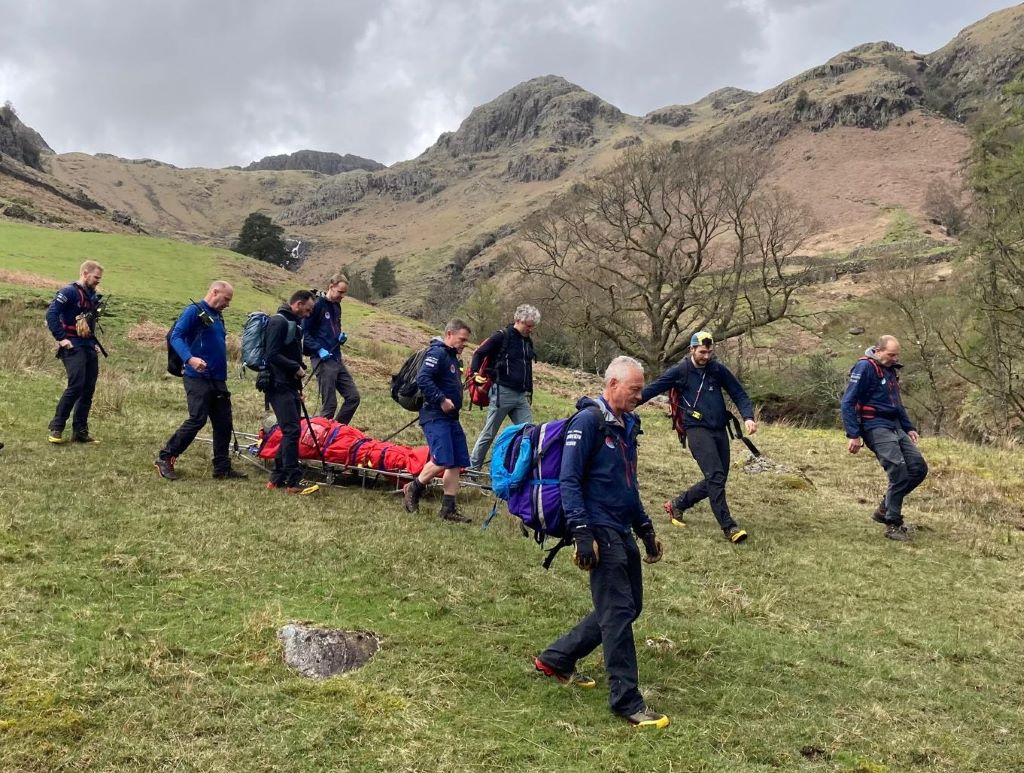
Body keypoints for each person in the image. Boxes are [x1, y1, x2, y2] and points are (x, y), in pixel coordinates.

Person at [534, 356, 668, 729]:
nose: (640, 396)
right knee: (618, 612)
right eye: (634, 389)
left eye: (642, 390)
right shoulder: (588, 422)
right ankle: (627, 702)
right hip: (598, 530)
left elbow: (627, 484)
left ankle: (557, 658)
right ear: (612, 384)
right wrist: (582, 533)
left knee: (629, 606)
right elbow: (569, 480)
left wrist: (645, 529)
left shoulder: (626, 426)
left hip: (621, 527)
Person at [640, 331, 757, 544]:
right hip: (696, 429)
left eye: (709, 352)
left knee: (718, 477)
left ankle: (678, 504)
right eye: (702, 352)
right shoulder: (681, 371)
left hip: (719, 429)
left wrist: (748, 417)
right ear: (692, 349)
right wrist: (625, 404)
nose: (706, 356)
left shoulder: (717, 369)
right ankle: (729, 527)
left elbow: (738, 393)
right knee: (715, 476)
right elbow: (653, 389)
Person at [155, 281, 246, 481]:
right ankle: (166, 457)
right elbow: (176, 336)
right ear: (215, 292)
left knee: (223, 422)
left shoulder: (218, 316)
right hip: (197, 377)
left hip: (218, 378)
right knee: (197, 419)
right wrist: (190, 359)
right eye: (226, 299)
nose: (228, 304)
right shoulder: (194, 311)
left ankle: (222, 467)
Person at [841, 335, 928, 542]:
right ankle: (893, 523)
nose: (895, 359)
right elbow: (847, 402)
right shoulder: (864, 367)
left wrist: (908, 427)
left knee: (918, 468)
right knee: (898, 471)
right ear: (877, 351)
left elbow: (896, 402)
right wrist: (853, 434)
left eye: (897, 355)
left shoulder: (890, 369)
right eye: (891, 355)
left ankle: (884, 508)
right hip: (874, 425)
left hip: (894, 425)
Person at [401, 319, 473, 523]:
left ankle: (448, 509)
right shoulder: (437, 353)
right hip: (435, 415)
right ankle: (413, 488)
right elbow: (423, 378)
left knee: (456, 462)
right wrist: (441, 399)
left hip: (451, 417)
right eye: (461, 339)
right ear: (449, 334)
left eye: (466, 341)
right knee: (441, 459)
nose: (464, 344)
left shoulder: (452, 357)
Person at [468, 303, 540, 471]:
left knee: (530, 433)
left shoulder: (527, 341)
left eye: (532, 326)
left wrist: (528, 391)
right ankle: (473, 468)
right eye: (528, 325)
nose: (530, 329)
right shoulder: (502, 336)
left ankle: (523, 470)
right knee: (489, 433)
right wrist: (474, 374)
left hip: (521, 395)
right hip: (502, 392)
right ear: (518, 320)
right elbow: (479, 353)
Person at [45, 259, 105, 444]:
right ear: (85, 273)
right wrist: (62, 338)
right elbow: (51, 314)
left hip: (88, 345)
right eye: (96, 277)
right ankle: (56, 427)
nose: (98, 281)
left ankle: (80, 432)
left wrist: (93, 342)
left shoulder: (92, 296)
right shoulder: (69, 292)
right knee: (76, 385)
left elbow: (88, 322)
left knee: (88, 389)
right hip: (72, 345)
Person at [265, 290, 316, 493]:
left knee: (291, 431)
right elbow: (272, 354)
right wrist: (295, 368)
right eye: (308, 309)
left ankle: (277, 479)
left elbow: (291, 356)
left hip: (290, 386)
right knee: (292, 431)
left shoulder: (294, 325)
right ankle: (293, 481)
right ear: (298, 304)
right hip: (278, 385)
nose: (308, 314)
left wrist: (298, 387)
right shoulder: (278, 322)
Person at [303, 274, 360, 425]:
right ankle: (320, 435)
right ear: (331, 287)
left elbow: (333, 328)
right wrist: (318, 349)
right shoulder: (317, 305)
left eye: (344, 293)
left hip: (336, 357)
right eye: (340, 292)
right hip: (322, 360)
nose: (342, 296)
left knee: (353, 397)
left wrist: (339, 337)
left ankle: (336, 430)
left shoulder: (337, 306)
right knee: (329, 405)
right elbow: (303, 332)